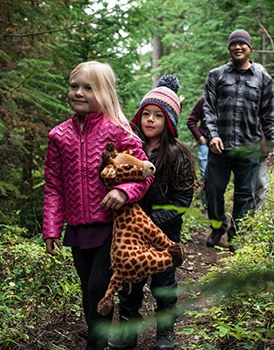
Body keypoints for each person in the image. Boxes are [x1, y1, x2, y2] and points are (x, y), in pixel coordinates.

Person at [42, 61, 153, 350]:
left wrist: (124, 192)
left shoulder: (117, 132)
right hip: (79, 228)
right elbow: (53, 186)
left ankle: (96, 344)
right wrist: (51, 228)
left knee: (97, 287)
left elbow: (144, 172)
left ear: (103, 92)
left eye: (88, 88)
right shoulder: (58, 136)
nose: (78, 92)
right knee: (88, 291)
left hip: (112, 226)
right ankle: (99, 338)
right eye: (74, 86)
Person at [107, 75, 196, 350]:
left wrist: (152, 222)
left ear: (168, 121)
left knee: (164, 283)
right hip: (131, 234)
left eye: (158, 115)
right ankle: (128, 332)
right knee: (129, 283)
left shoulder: (178, 154)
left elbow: (182, 199)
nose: (150, 120)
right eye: (146, 113)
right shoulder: (131, 149)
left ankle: (165, 334)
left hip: (163, 234)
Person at [203, 29, 274, 251]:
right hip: (220, 147)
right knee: (213, 190)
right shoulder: (216, 75)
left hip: (249, 147)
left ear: (249, 48)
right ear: (229, 48)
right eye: (233, 44)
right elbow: (208, 109)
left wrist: (273, 145)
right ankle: (218, 228)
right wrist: (213, 134)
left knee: (245, 194)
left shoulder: (262, 78)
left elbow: (270, 113)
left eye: (242, 44)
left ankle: (236, 234)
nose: (238, 47)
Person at [187, 95, 208, 207]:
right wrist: (200, 137)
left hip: (222, 144)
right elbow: (191, 121)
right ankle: (206, 206)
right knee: (205, 175)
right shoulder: (203, 100)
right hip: (205, 143)